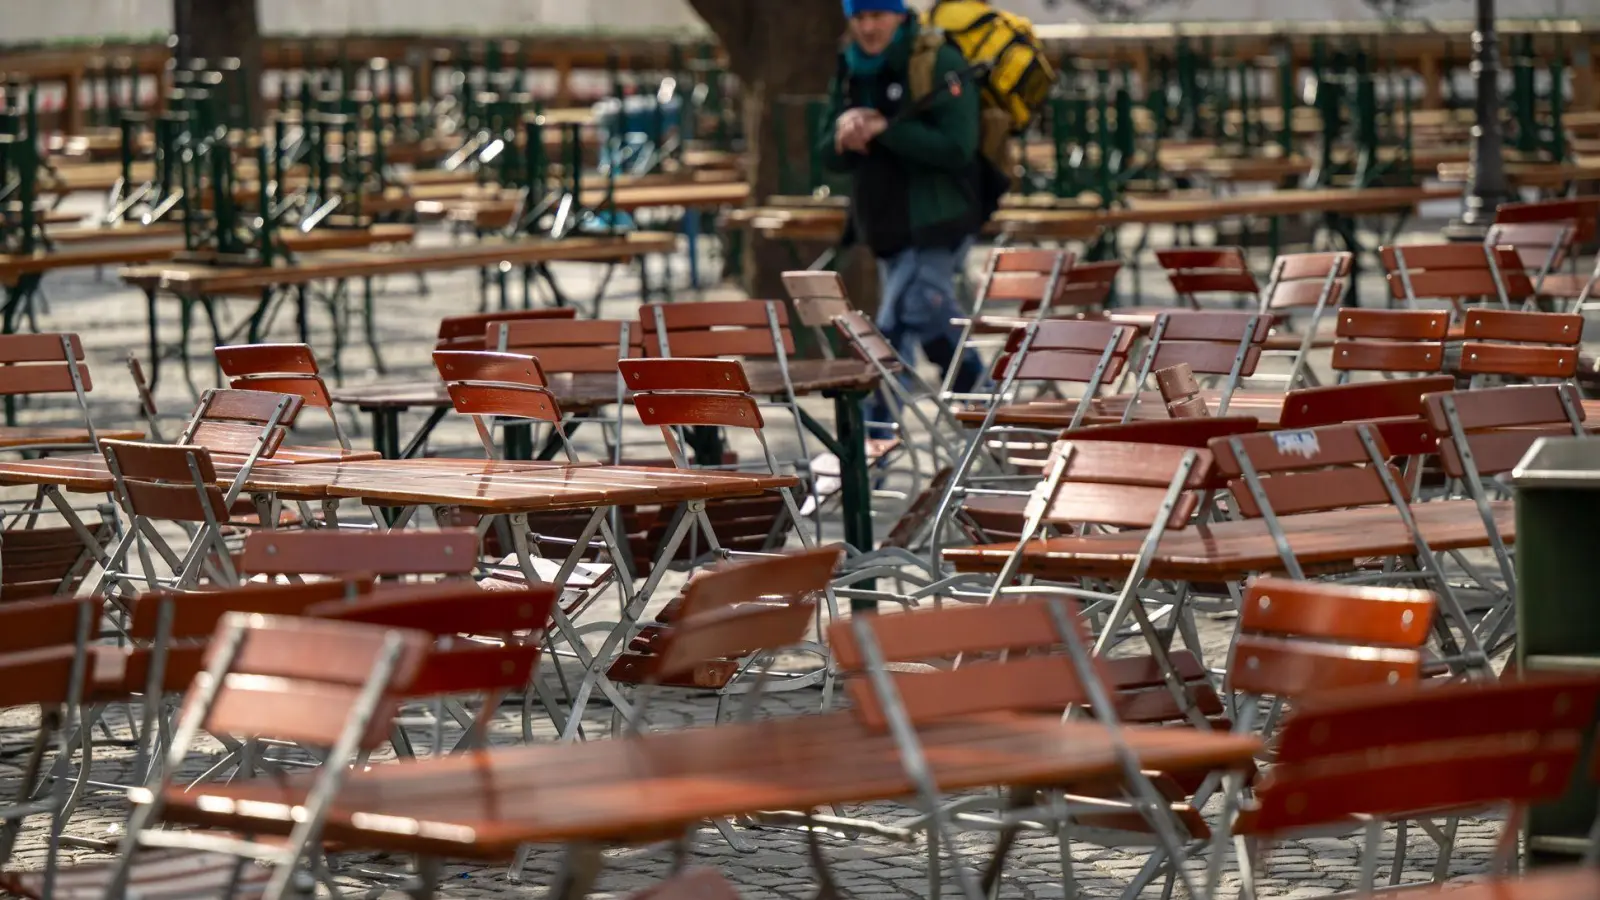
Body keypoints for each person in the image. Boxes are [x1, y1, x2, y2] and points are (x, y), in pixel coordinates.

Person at [819, 0, 987, 428]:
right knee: (924, 316)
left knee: (892, 326)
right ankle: (984, 404)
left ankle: (874, 441)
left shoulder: (936, 60)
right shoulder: (848, 67)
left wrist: (886, 130)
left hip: (936, 218)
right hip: (883, 224)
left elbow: (958, 147)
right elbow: (824, 153)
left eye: (877, 15)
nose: (868, 27)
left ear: (899, 15)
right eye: (858, 17)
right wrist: (843, 135)